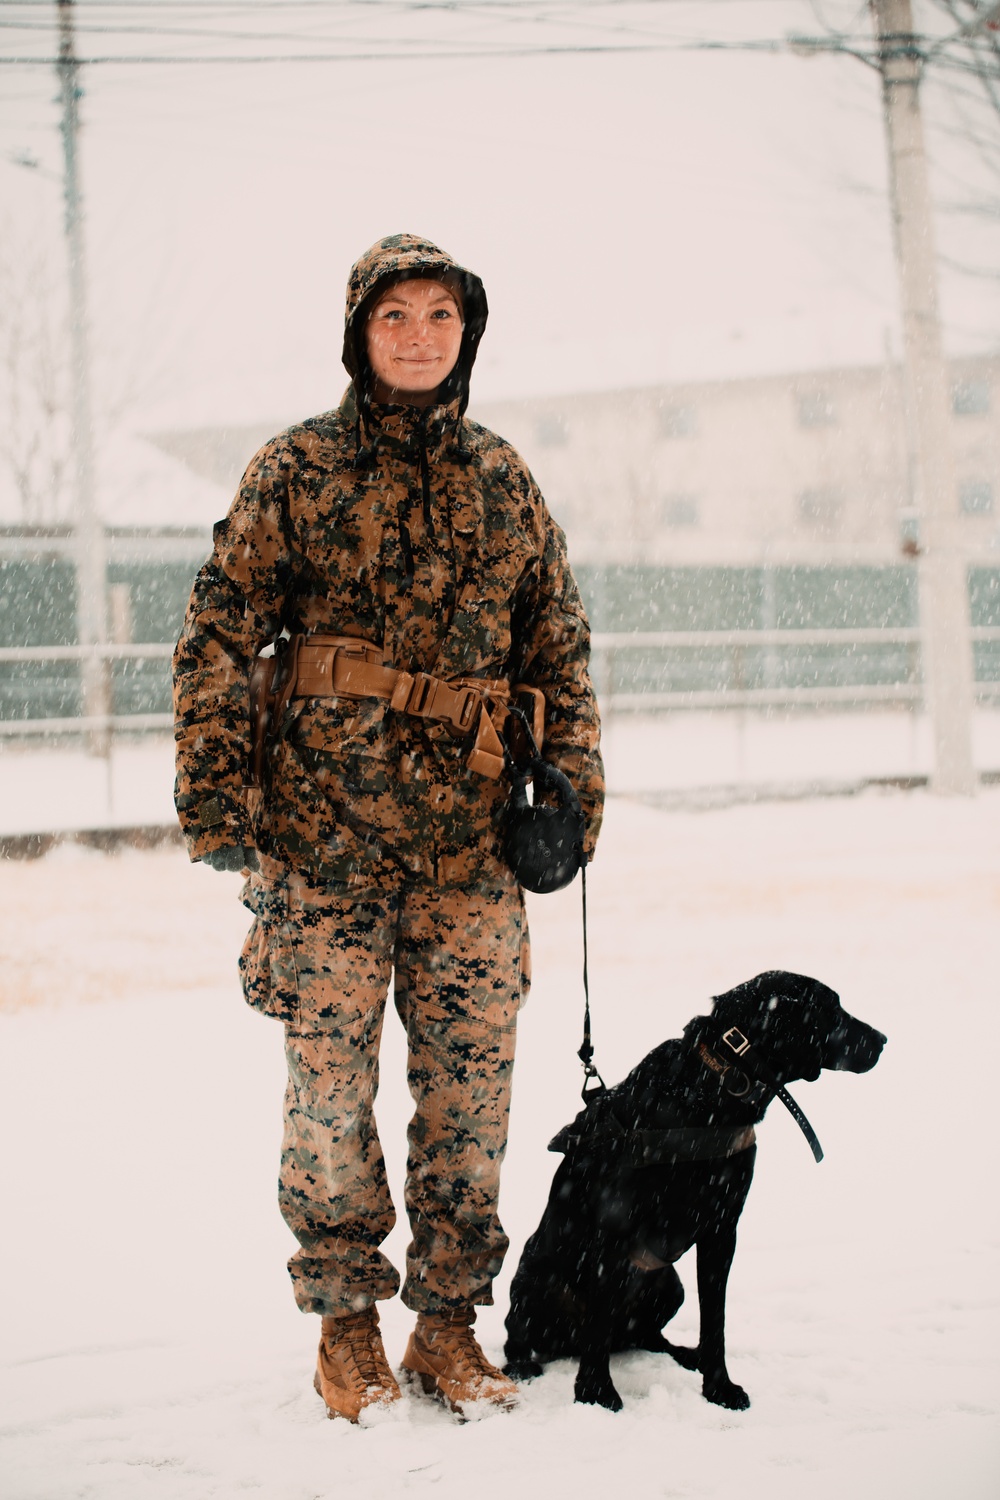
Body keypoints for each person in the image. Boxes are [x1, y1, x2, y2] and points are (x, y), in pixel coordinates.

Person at [172, 233, 604, 1422]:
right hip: (322, 847)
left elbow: (557, 650)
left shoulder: (503, 478)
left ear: (467, 334)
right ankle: (346, 1330)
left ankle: (448, 1327)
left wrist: (570, 795)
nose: (419, 337)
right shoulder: (296, 471)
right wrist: (215, 793)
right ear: (359, 334)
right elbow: (216, 633)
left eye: (440, 318)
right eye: (394, 317)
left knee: (472, 1097)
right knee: (329, 1094)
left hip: (470, 854)